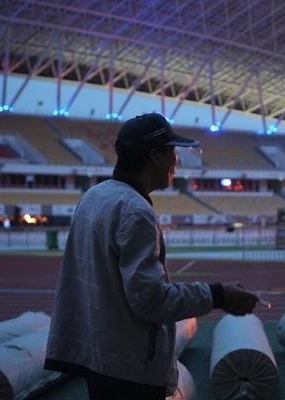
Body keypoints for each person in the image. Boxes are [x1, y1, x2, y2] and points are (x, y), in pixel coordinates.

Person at [44, 113, 259, 400]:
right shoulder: (135, 211)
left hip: (98, 355)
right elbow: (150, 300)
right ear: (156, 157)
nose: (177, 160)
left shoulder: (94, 196)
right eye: (173, 151)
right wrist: (218, 295)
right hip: (129, 368)